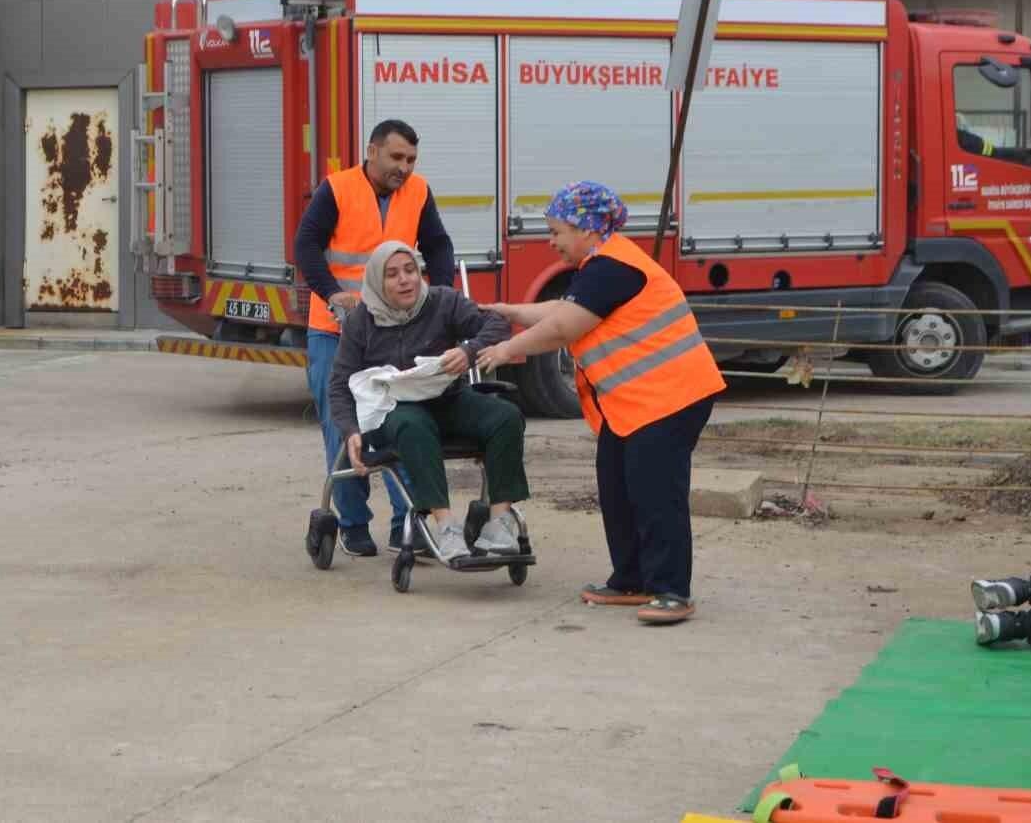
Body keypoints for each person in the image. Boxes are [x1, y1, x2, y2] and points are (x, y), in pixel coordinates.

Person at [474, 181, 725, 625]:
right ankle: (630, 579)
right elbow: (561, 308)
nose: (551, 242)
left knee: (655, 493)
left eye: (557, 231)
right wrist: (511, 312)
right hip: (636, 403)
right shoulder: (601, 267)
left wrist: (506, 351)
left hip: (670, 397)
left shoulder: (614, 267)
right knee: (617, 486)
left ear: (586, 228)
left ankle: (671, 589)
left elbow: (563, 328)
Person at [294, 119, 455, 557]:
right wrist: (331, 294)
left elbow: (439, 246)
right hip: (336, 330)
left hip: (400, 330)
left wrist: (440, 298)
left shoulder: (418, 191)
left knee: (405, 420)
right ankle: (353, 523)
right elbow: (306, 245)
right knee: (344, 426)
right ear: (372, 151)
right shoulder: (337, 188)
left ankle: (410, 523)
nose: (404, 167)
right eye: (396, 157)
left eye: (411, 160)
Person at [327, 241, 526, 563]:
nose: (404, 280)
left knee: (506, 416)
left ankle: (500, 523)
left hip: (448, 398)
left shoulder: (443, 301)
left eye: (410, 270)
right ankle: (446, 526)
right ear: (378, 282)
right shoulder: (360, 321)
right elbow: (339, 384)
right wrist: (350, 429)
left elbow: (497, 323)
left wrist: (468, 351)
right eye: (392, 274)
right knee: (411, 425)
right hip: (397, 408)